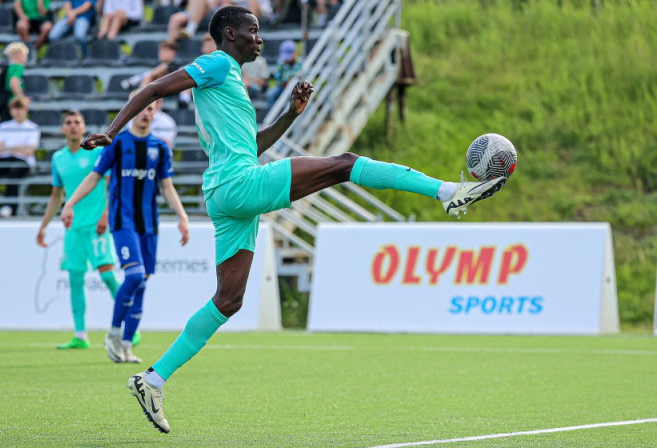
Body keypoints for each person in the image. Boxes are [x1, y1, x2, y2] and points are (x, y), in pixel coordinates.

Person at [79, 5, 506, 433]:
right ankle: (448, 193)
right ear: (230, 34)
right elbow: (154, 88)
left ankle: (152, 379)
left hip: (225, 193)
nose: (258, 38)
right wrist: (112, 131)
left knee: (228, 300)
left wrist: (290, 115)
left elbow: (253, 144)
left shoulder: (230, 80)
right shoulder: (215, 63)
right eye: (253, 30)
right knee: (344, 163)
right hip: (238, 185)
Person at [62, 91, 189, 364]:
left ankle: (127, 345)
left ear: (155, 111)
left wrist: (182, 217)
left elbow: (166, 187)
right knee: (134, 276)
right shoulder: (117, 144)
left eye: (151, 108)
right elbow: (94, 177)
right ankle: (114, 334)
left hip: (149, 224)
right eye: (142, 107)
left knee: (141, 284)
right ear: (133, 110)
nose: (146, 112)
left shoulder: (160, 148)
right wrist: (69, 203)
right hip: (123, 221)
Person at [36, 111, 122, 349]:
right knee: (75, 279)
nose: (73, 126)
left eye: (77, 122)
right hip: (73, 228)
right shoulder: (58, 158)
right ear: (63, 129)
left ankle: (127, 329)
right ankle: (80, 334)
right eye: (68, 123)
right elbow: (56, 195)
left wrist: (106, 214)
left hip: (97, 225)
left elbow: (110, 185)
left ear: (84, 127)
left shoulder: (97, 152)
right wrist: (43, 226)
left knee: (107, 275)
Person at [0, 96, 40, 217]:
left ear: (26, 110)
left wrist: (7, 148)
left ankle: (10, 207)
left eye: (21, 108)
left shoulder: (32, 128)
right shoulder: (4, 126)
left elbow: (29, 151)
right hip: (4, 160)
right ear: (11, 110)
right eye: (15, 108)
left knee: (14, 172)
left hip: (23, 162)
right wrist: (18, 148)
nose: (18, 111)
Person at [266, 39, 302, 108]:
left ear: (295, 53)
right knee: (270, 94)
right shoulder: (281, 63)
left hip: (295, 90)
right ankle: (272, 111)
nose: (286, 59)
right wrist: (285, 83)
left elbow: (301, 79)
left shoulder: (299, 63)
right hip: (282, 87)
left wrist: (291, 83)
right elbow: (278, 78)